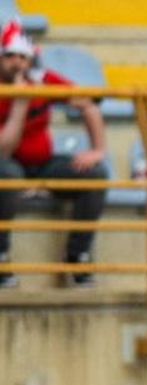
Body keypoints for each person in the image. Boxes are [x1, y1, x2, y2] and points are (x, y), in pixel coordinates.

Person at [0, 20, 108, 290]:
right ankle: (1, 258)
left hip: (42, 163)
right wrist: (20, 104)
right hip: (8, 163)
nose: (16, 63)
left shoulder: (44, 80)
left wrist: (98, 150)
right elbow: (3, 150)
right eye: (10, 56)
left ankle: (76, 258)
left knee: (95, 175)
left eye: (22, 57)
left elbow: (89, 103)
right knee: (7, 174)